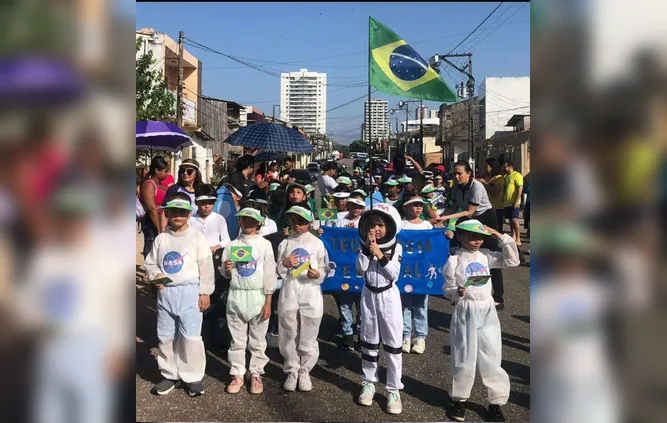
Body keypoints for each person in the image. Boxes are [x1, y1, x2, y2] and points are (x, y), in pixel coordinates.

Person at [442, 218, 519, 422]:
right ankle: (459, 399)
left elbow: (512, 260)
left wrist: (499, 235)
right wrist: (457, 292)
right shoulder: (454, 260)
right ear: (460, 236)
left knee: (492, 354)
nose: (476, 241)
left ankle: (496, 403)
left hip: (487, 309)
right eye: (472, 237)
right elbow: (447, 290)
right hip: (465, 310)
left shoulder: (486, 256)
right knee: (464, 355)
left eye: (480, 238)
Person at [143, 194, 214, 397]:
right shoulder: (162, 239)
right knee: (166, 335)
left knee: (190, 336)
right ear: (166, 213)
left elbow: (206, 268)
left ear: (189, 214)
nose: (177, 216)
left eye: (182, 212)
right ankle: (169, 374)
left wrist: (205, 292)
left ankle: (192, 376)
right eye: (173, 211)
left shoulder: (196, 238)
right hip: (166, 293)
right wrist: (155, 275)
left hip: (190, 292)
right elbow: (151, 262)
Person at [220, 207, 277, 395]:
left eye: (253, 220)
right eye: (245, 219)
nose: (249, 223)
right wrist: (227, 269)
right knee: (237, 339)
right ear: (240, 221)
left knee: (258, 340)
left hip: (258, 295)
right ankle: (237, 373)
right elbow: (226, 273)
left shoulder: (264, 244)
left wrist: (268, 302)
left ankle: (255, 373)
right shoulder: (231, 245)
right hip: (237, 294)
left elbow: (270, 275)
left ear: (259, 222)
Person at [356, 203, 404, 414]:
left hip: (389, 297)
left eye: (381, 226)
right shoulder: (364, 245)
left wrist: (380, 254)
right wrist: (368, 249)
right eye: (373, 225)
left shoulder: (396, 247)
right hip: (368, 295)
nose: (377, 229)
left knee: (393, 345)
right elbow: (360, 269)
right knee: (369, 341)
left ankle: (393, 389)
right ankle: (368, 382)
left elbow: (393, 274)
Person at [276, 206, 330, 392]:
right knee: (288, 327)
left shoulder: (317, 243)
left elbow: (324, 267)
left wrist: (318, 274)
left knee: (310, 328)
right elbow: (278, 268)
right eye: (293, 221)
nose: (297, 225)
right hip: (290, 288)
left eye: (302, 222)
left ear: (310, 222)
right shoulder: (285, 243)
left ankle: (305, 369)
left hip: (310, 290)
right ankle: (291, 368)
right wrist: (284, 264)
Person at [440, 161, 507, 309]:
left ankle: (498, 296)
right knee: (462, 250)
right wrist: (438, 217)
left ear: (469, 173)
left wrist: (447, 218)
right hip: (469, 218)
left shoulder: (477, 186)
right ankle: (459, 291)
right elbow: (453, 206)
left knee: (491, 255)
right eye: (454, 173)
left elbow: (470, 211)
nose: (456, 177)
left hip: (485, 217)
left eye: (460, 173)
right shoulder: (456, 187)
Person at [400, 195, 433, 355]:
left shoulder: (427, 225)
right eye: (414, 205)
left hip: (422, 270)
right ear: (406, 207)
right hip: (406, 270)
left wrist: (447, 236)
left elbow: (434, 244)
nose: (418, 208)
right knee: (405, 303)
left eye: (420, 205)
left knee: (421, 303)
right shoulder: (401, 224)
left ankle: (420, 336)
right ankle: (406, 334)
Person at [332, 194, 366, 351]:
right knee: (345, 303)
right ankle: (347, 333)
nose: (356, 209)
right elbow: (332, 240)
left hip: (360, 270)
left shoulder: (366, 222)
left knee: (361, 305)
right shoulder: (339, 221)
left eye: (359, 207)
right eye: (353, 206)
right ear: (348, 206)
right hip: (343, 269)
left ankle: (360, 332)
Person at [139, 156, 169, 258]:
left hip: (162, 220)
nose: (167, 174)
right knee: (151, 246)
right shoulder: (149, 184)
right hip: (151, 222)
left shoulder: (161, 184)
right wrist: (158, 227)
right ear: (157, 170)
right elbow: (151, 208)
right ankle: (148, 272)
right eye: (165, 171)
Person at [162, 159, 203, 232]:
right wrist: (162, 232)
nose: (185, 173)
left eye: (189, 171)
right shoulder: (174, 189)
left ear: (196, 173)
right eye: (182, 170)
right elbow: (165, 212)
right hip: (177, 231)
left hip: (199, 230)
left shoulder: (202, 189)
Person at [479, 158, 506, 234]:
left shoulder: (499, 178)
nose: (485, 168)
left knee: (496, 229)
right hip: (489, 206)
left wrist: (485, 184)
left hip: (497, 207)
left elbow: (495, 192)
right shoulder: (490, 178)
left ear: (492, 167)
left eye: (486, 166)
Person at [502, 161, 524, 246]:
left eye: (505, 167)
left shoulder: (517, 175)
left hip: (513, 202)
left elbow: (520, 189)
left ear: (510, 167)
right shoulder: (506, 176)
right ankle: (513, 236)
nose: (504, 168)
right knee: (510, 220)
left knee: (514, 219)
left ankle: (518, 238)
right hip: (507, 202)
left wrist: (516, 201)